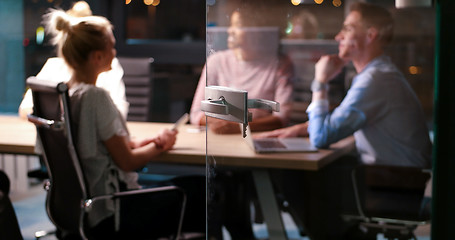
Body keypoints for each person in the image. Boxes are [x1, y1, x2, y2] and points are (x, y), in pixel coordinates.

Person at [257, 2, 432, 239]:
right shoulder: (379, 75)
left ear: (371, 35)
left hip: (393, 189)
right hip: (398, 183)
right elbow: (342, 121)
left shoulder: (375, 80)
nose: (339, 36)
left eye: (348, 29)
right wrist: (299, 129)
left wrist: (320, 82)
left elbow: (321, 137)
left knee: (289, 174)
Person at [41, 8, 204, 239]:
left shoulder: (68, 96)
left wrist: (144, 141)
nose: (115, 52)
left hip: (83, 210)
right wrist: (161, 145)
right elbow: (127, 162)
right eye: (112, 46)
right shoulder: (96, 97)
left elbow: (103, 146)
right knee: (202, 190)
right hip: (115, 211)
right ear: (97, 57)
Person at [190, 3, 294, 239]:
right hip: (218, 150)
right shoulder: (217, 61)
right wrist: (216, 123)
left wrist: (237, 125)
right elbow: (197, 113)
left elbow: (282, 118)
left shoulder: (279, 63)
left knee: (228, 185)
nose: (230, 33)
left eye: (236, 28)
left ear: (256, 31)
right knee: (219, 185)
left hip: (256, 152)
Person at [19, 1, 129, 120]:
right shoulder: (54, 67)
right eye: (110, 47)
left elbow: (119, 114)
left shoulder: (107, 74)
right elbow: (26, 108)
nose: (114, 52)